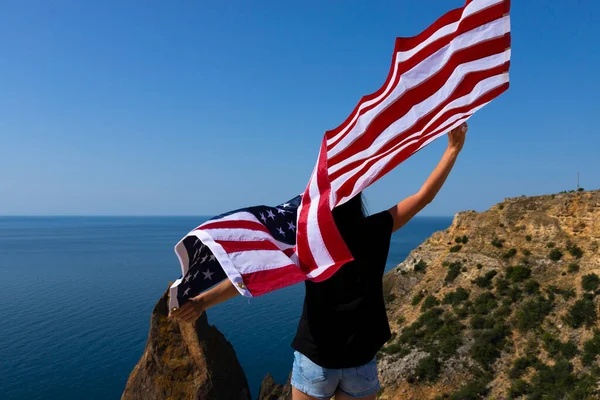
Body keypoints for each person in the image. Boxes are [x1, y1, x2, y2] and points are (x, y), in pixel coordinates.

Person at [171, 123, 468, 399]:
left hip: (316, 358)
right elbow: (424, 196)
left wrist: (201, 303)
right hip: (360, 360)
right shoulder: (376, 229)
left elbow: (254, 274)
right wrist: (453, 150)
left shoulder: (308, 238)